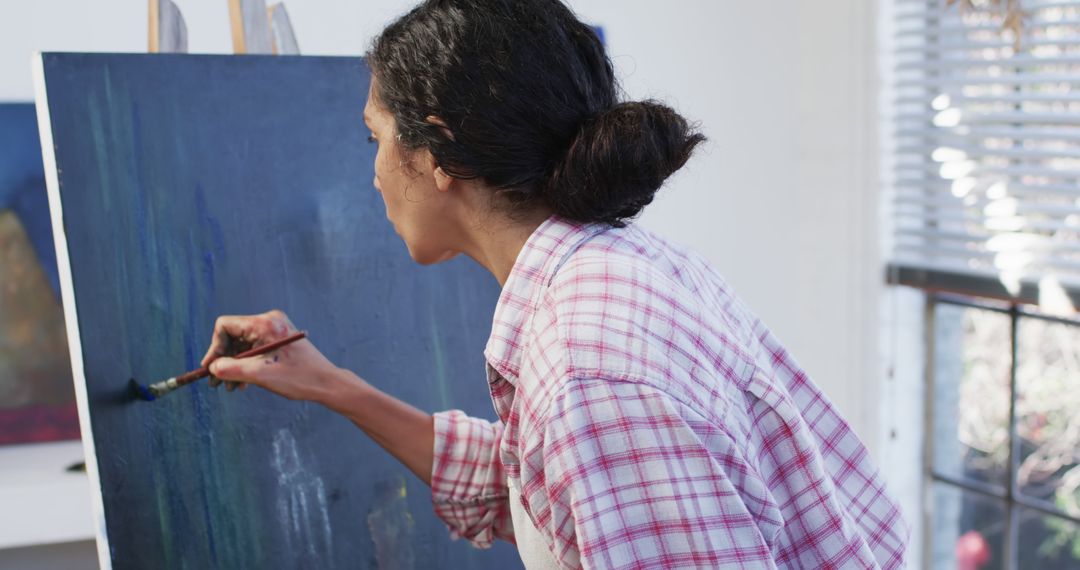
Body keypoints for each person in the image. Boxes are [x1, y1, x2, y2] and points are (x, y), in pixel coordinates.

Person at [202, 0, 909, 568]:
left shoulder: (588, 371)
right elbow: (534, 489)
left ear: (439, 153)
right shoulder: (619, 269)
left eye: (376, 139)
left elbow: (587, 444)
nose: (374, 173)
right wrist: (331, 385)